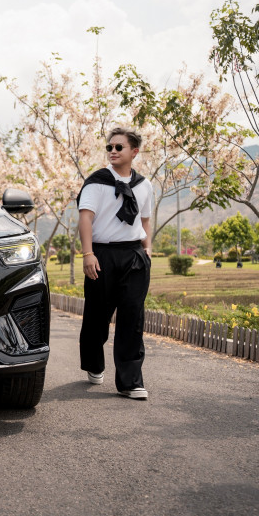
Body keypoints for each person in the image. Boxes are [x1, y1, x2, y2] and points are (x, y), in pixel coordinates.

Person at [76, 127, 153, 400]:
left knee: (132, 317)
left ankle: (130, 382)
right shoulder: (96, 182)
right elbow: (85, 218)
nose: (113, 151)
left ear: (134, 151)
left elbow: (145, 219)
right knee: (97, 316)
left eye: (119, 147)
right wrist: (88, 254)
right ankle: (94, 363)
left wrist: (147, 249)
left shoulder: (144, 185)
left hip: (134, 256)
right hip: (102, 255)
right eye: (110, 147)